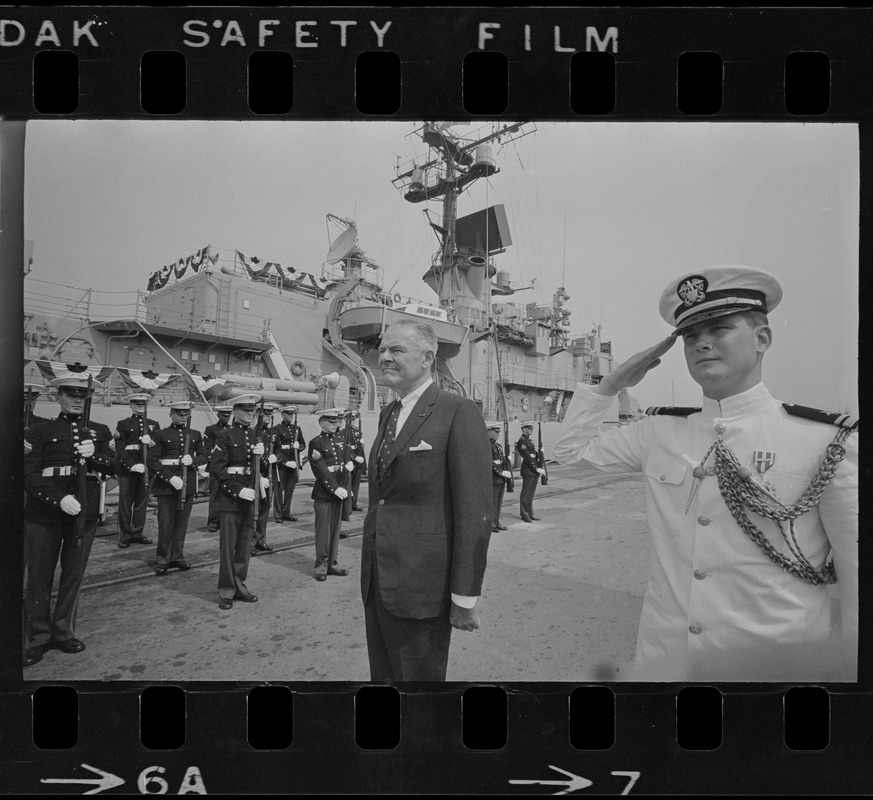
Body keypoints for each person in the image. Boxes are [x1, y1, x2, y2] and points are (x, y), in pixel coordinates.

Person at [553, 265, 858, 682]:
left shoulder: (826, 442)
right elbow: (568, 454)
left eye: (719, 329)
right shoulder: (659, 431)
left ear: (762, 339)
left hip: (772, 669)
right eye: (691, 337)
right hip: (666, 660)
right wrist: (610, 385)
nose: (703, 344)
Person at [362, 320, 492, 682]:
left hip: (423, 589)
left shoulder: (457, 412)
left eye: (397, 350)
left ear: (428, 358)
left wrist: (464, 595)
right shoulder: (389, 414)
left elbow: (474, 512)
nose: (384, 357)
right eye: (383, 350)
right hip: (379, 581)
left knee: (419, 696)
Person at [23, 376, 117, 667]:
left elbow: (116, 466)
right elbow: (28, 474)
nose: (78, 400)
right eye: (71, 394)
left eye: (83, 395)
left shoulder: (99, 432)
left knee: (73, 575)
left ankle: (63, 631)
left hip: (83, 514)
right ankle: (37, 637)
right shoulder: (39, 431)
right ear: (59, 396)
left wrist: (96, 456)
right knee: (39, 576)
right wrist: (57, 498)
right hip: (45, 513)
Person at [209, 394, 268, 609]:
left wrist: (263, 457)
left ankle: (239, 585)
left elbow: (258, 468)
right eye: (245, 411)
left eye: (252, 411)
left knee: (244, 546)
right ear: (235, 412)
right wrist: (238, 490)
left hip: (249, 498)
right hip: (231, 499)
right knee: (228, 548)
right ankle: (226, 590)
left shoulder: (255, 436)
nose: (249, 415)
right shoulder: (225, 436)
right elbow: (216, 468)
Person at [146, 400, 208, 575]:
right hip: (167, 485)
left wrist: (194, 460)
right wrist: (169, 477)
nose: (182, 417)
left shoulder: (195, 435)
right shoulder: (160, 434)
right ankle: (163, 558)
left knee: (182, 523)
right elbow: (152, 460)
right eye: (179, 413)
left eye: (185, 414)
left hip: (187, 484)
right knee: (165, 523)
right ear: (171, 414)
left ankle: (177, 556)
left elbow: (204, 456)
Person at [308, 408, 352, 581]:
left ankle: (332, 564)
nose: (335, 425)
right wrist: (334, 488)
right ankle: (321, 567)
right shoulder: (316, 443)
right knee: (323, 534)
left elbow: (346, 458)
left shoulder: (340, 439)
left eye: (336, 422)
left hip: (338, 494)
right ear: (321, 423)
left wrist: (349, 465)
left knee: (335, 533)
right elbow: (320, 470)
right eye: (331, 422)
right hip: (325, 494)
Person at [114, 393, 159, 548]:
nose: (141, 407)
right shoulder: (123, 424)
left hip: (147, 469)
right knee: (125, 503)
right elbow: (119, 449)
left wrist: (152, 443)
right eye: (137, 404)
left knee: (142, 503)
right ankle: (125, 534)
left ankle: (137, 532)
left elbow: (158, 449)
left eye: (143, 404)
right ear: (131, 405)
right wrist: (131, 465)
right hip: (128, 470)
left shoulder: (154, 424)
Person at [251, 403, 278, 556]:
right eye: (265, 414)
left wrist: (277, 457)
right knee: (252, 512)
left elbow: (279, 451)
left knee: (264, 510)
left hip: (268, 477)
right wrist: (258, 476)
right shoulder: (252, 433)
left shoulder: (272, 433)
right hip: (255, 478)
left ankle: (261, 540)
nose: (268, 417)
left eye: (269, 415)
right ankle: (250, 543)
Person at [271, 405, 305, 523]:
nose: (290, 416)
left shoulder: (297, 428)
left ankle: (286, 512)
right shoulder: (276, 429)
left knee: (290, 490)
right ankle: (278, 514)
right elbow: (276, 449)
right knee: (279, 490)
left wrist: (298, 446)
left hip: (294, 462)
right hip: (281, 464)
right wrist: (285, 462)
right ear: (282, 414)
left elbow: (303, 444)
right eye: (288, 414)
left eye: (291, 414)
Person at [203, 405, 232, 532]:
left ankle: (225, 520)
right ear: (219, 415)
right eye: (224, 415)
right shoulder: (211, 429)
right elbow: (207, 448)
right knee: (215, 495)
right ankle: (213, 521)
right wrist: (216, 462)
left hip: (229, 467)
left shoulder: (233, 430)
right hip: (216, 467)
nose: (226, 417)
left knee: (228, 495)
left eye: (228, 415)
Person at [516, 422, 545, 522]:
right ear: (524, 429)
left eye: (532, 428)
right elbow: (527, 457)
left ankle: (530, 513)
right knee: (526, 493)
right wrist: (536, 468)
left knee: (531, 494)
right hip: (528, 470)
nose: (531, 430)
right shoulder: (522, 442)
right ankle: (524, 514)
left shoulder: (530, 441)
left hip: (534, 470)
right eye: (529, 428)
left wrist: (540, 454)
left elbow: (534, 456)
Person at [487, 423, 511, 532]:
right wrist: (501, 472)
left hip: (500, 478)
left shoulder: (498, 446)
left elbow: (502, 461)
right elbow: (490, 462)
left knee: (499, 502)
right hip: (493, 477)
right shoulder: (486, 445)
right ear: (488, 432)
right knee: (493, 502)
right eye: (496, 432)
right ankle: (491, 524)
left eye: (498, 432)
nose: (498, 434)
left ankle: (497, 522)